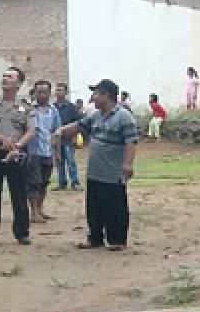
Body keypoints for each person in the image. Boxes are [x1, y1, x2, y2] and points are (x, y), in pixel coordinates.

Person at [54, 79, 138, 251]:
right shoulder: (95, 115)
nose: (93, 97)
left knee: (115, 206)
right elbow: (79, 126)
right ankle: (95, 238)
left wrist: (127, 164)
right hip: (95, 171)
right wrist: (61, 131)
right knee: (94, 207)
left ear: (106, 95)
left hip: (113, 172)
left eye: (96, 93)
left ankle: (117, 240)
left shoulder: (124, 117)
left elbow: (131, 141)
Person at [0, 66, 35, 245]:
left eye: (10, 77)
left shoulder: (25, 107)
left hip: (16, 153)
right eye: (4, 76)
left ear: (18, 83)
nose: (5, 79)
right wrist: (3, 139)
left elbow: (31, 130)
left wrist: (17, 145)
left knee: (18, 193)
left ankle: (22, 232)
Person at [27, 80, 61, 224]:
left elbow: (57, 132)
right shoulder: (29, 110)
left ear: (49, 93)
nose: (42, 95)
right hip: (32, 151)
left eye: (45, 92)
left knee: (44, 182)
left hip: (48, 150)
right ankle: (33, 212)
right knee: (34, 182)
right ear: (34, 93)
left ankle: (40, 209)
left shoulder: (54, 111)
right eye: (39, 92)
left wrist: (57, 153)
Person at [53, 83, 81, 190]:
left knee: (71, 161)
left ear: (65, 92)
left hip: (69, 138)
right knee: (59, 161)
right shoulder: (53, 107)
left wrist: (75, 137)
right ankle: (62, 183)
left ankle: (75, 182)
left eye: (60, 90)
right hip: (57, 139)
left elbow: (78, 123)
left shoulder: (71, 107)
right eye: (57, 90)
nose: (58, 92)